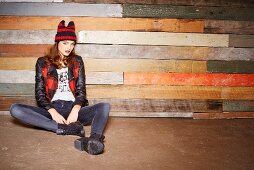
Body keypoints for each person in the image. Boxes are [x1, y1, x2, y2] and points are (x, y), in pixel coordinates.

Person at [10, 20, 110, 155]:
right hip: (52, 109)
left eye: (72, 43)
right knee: (15, 109)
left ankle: (93, 140)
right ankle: (63, 128)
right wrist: (52, 111)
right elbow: (39, 94)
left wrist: (76, 108)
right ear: (57, 43)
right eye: (65, 43)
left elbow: (81, 91)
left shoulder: (77, 61)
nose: (69, 47)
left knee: (104, 106)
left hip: (73, 109)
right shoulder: (42, 62)